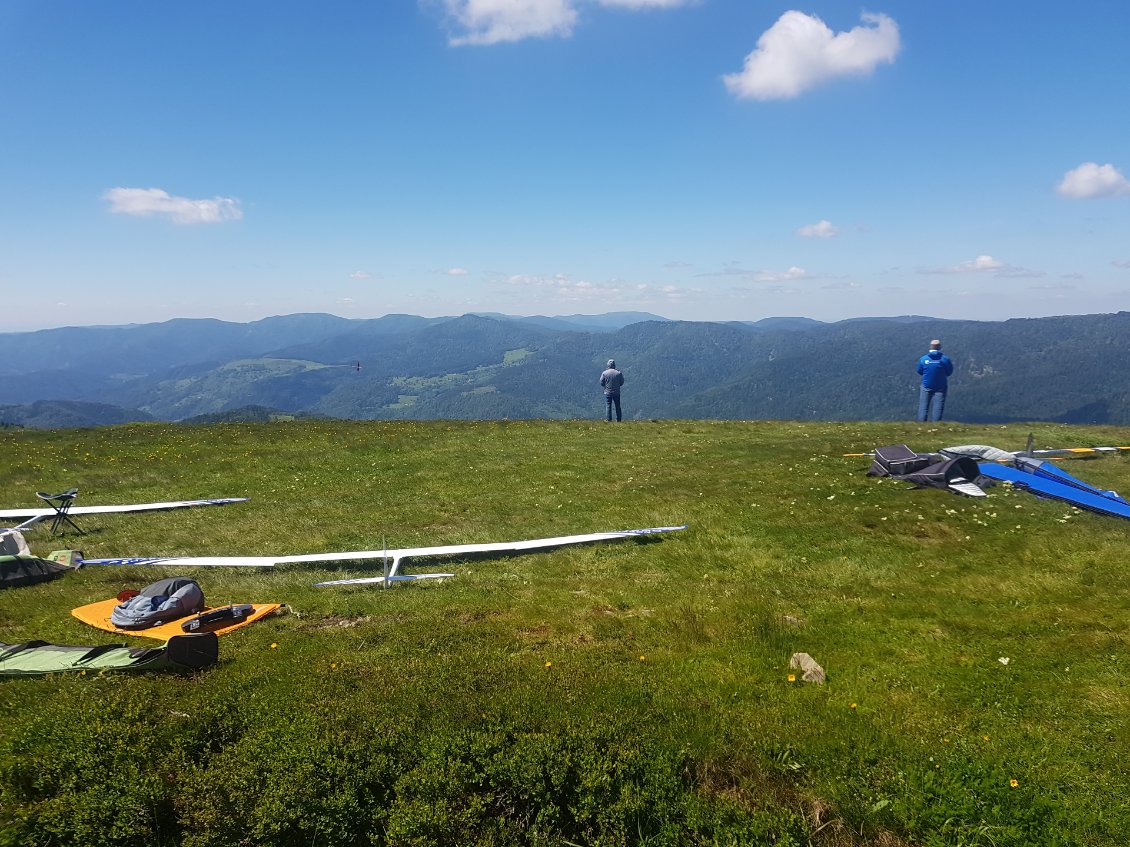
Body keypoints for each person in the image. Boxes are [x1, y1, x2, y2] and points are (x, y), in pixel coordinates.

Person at [916, 339, 954, 422]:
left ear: (930, 347)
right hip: (940, 386)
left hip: (926, 385)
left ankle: (921, 424)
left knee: (923, 407)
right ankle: (936, 425)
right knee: (938, 407)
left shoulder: (923, 359)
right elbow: (949, 372)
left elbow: (919, 371)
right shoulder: (945, 359)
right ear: (940, 347)